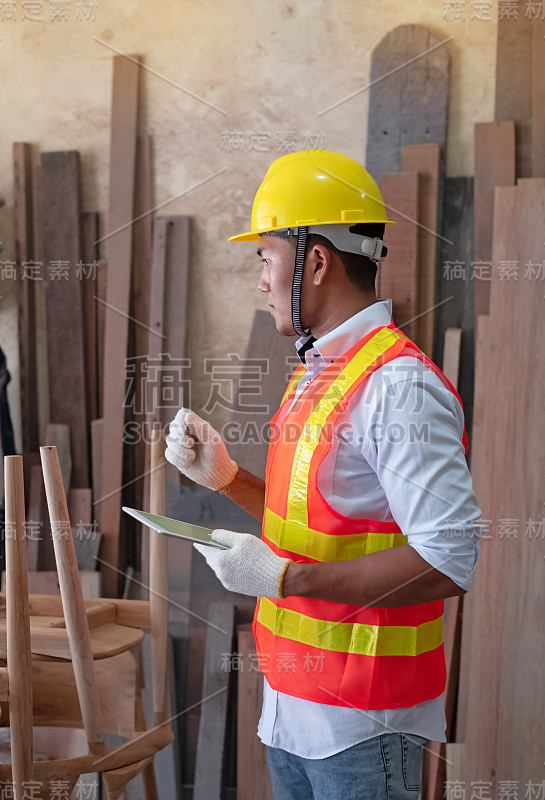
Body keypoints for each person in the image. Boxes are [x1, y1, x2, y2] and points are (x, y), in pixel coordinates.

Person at [165, 150, 483, 800]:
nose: (259, 280)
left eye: (266, 258)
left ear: (315, 261)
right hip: (295, 705)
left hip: (364, 722)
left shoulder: (396, 386)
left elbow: (451, 558)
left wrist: (286, 579)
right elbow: (324, 521)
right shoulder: (322, 371)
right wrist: (228, 480)